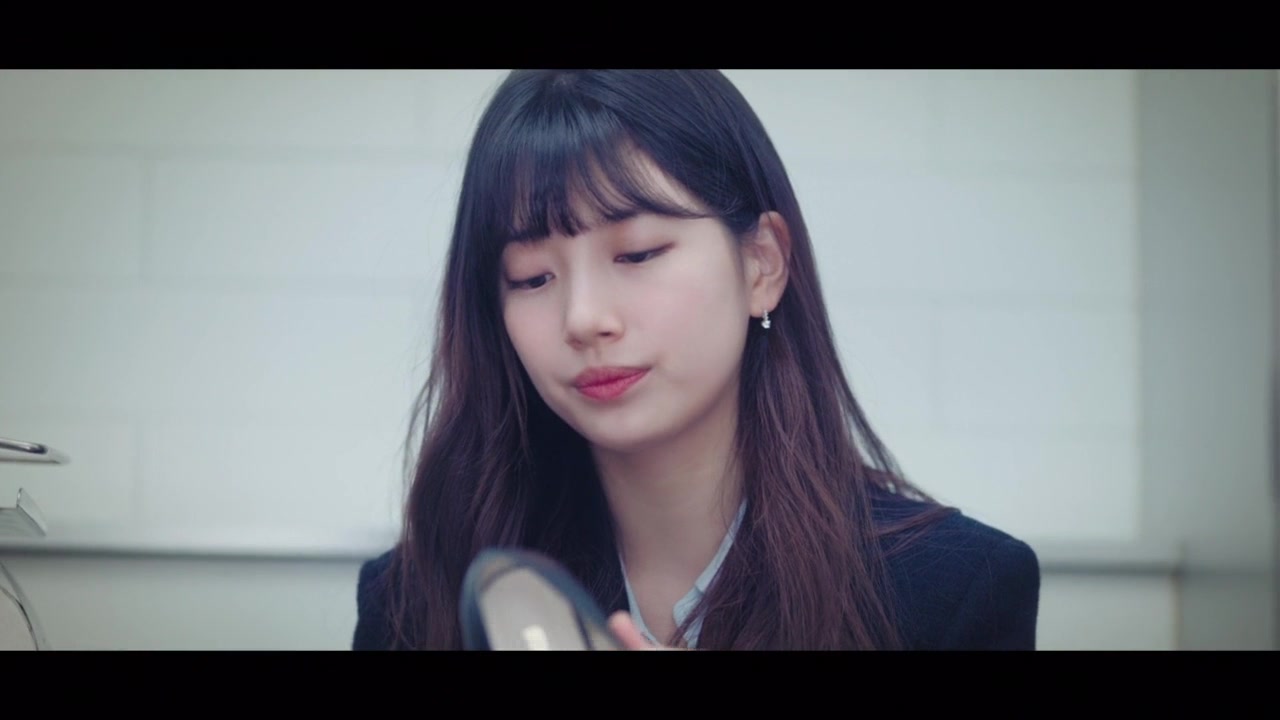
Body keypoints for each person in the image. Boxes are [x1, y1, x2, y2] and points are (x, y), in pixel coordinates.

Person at [352, 70, 1040, 650]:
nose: (583, 318)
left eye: (637, 254)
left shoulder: (953, 590)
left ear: (761, 264)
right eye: (532, 277)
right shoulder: (419, 598)